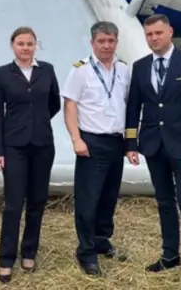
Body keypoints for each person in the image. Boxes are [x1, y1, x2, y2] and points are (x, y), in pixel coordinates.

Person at [125, 14, 181, 290]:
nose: (153, 38)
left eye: (158, 33)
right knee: (164, 203)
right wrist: (131, 143)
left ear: (170, 32)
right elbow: (133, 107)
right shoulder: (140, 67)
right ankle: (170, 255)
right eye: (149, 34)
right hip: (153, 146)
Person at [0, 26, 61, 283]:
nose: (25, 48)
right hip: (14, 146)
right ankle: (6, 259)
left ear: (35, 46)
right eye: (20, 43)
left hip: (42, 144)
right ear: (12, 45)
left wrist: (37, 120)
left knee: (37, 201)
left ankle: (29, 251)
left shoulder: (47, 70)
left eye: (30, 43)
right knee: (13, 203)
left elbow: (55, 103)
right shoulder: (3, 73)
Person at [60, 21, 130, 276]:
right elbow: (70, 105)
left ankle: (102, 240)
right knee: (88, 198)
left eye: (111, 41)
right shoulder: (81, 70)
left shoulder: (123, 70)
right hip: (91, 141)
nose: (106, 46)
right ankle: (86, 251)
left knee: (109, 196)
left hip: (116, 141)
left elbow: (126, 102)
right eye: (101, 41)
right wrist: (76, 139)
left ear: (116, 42)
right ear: (92, 43)